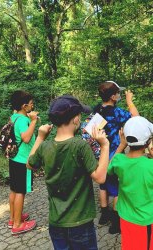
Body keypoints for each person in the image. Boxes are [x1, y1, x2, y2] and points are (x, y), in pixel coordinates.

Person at [27, 95, 109, 249]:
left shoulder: (45, 147)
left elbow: (30, 164)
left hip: (56, 222)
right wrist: (104, 146)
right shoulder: (79, 145)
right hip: (81, 223)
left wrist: (40, 137)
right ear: (75, 119)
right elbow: (100, 177)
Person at [108, 116, 153, 250]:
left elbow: (109, 169)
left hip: (125, 217)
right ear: (148, 141)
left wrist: (121, 145)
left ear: (125, 137)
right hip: (146, 220)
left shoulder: (119, 160)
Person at [94, 80, 139, 234]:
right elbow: (136, 118)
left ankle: (104, 214)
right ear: (113, 96)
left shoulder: (97, 111)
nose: (120, 95)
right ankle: (115, 222)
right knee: (117, 189)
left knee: (103, 184)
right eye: (119, 93)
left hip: (100, 153)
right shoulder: (118, 113)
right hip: (115, 153)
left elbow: (92, 131)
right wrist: (129, 101)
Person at [8, 90, 38, 235]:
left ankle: (13, 218)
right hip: (22, 161)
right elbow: (26, 138)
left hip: (14, 158)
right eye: (31, 104)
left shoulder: (14, 117)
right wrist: (33, 121)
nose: (33, 106)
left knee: (14, 189)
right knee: (21, 191)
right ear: (24, 105)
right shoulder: (23, 120)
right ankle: (18, 225)